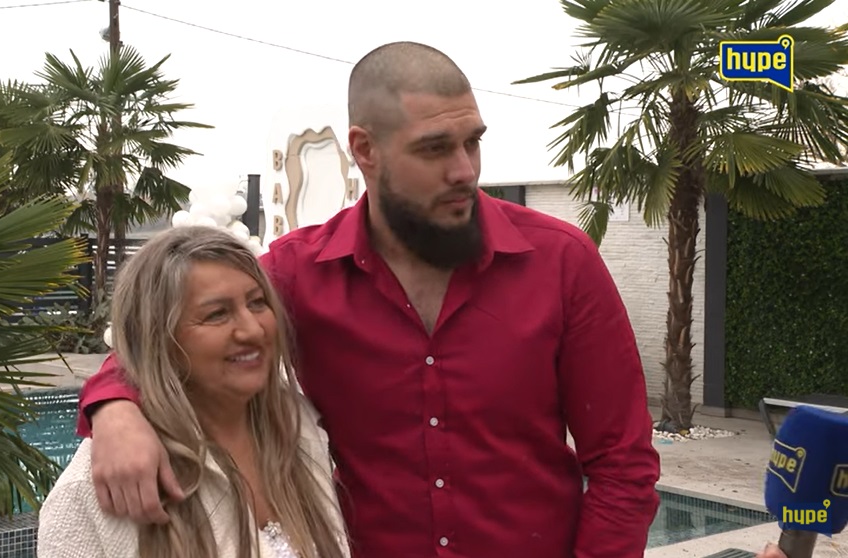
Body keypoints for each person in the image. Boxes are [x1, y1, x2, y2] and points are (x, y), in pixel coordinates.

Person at [76, 41, 662, 557]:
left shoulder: (559, 261)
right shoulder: (301, 273)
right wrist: (115, 410)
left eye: (472, 143)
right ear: (365, 149)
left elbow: (622, 463)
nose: (465, 170)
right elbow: (165, 338)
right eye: (435, 149)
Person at [37, 226, 350, 558]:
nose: (252, 330)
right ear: (160, 338)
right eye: (217, 314)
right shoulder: (99, 484)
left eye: (257, 303)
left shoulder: (296, 428)